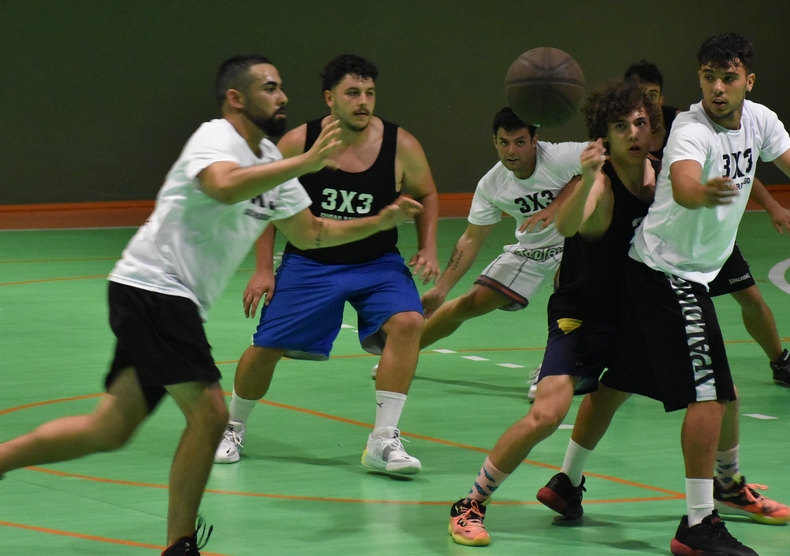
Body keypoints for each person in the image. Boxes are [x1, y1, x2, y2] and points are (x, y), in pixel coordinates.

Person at [0, 55, 421, 556]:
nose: (282, 96)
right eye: (270, 87)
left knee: (108, 428)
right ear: (236, 98)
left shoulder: (270, 159)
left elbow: (312, 232)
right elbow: (221, 187)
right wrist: (306, 164)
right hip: (155, 288)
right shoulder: (215, 138)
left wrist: (379, 221)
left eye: (283, 87)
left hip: (165, 298)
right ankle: (180, 546)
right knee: (210, 414)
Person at [544, 33, 790, 556]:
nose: (718, 88)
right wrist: (703, 191)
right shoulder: (689, 128)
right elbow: (681, 184)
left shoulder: (761, 120)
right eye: (708, 76)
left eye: (728, 78)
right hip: (667, 273)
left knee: (620, 382)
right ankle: (699, 524)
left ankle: (567, 483)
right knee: (713, 395)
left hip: (687, 267)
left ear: (748, 80)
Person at [447, 79, 660, 547]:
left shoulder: (662, 176)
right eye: (621, 126)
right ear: (605, 137)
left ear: (653, 130)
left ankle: (567, 484)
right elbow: (566, 225)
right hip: (581, 310)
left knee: (616, 392)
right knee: (547, 414)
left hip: (633, 310)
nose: (633, 133)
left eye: (640, 123)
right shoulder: (601, 180)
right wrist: (584, 179)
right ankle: (472, 503)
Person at [214, 54, 440, 476]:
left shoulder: (400, 144)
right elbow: (266, 203)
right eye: (352, 93)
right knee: (267, 348)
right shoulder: (300, 143)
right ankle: (232, 426)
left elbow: (426, 194)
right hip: (311, 262)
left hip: (377, 262)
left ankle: (383, 440)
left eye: (369, 93)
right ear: (329, 99)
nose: (363, 102)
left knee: (409, 321)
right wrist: (264, 268)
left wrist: (428, 247)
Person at [625, 59, 790, 391]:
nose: (647, 102)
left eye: (653, 94)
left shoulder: (678, 124)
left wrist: (773, 206)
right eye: (639, 96)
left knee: (751, 298)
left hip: (710, 232)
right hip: (665, 237)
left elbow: (738, 169)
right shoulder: (624, 131)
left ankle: (781, 363)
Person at [408, 107, 582, 397]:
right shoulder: (492, 184)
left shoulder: (562, 156)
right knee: (469, 304)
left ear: (535, 140)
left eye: (519, 142)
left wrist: (555, 208)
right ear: (495, 142)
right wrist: (441, 289)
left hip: (576, 242)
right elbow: (471, 239)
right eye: (504, 142)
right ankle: (403, 353)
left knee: (567, 292)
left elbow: (597, 167)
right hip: (531, 249)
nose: (511, 151)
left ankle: (552, 368)